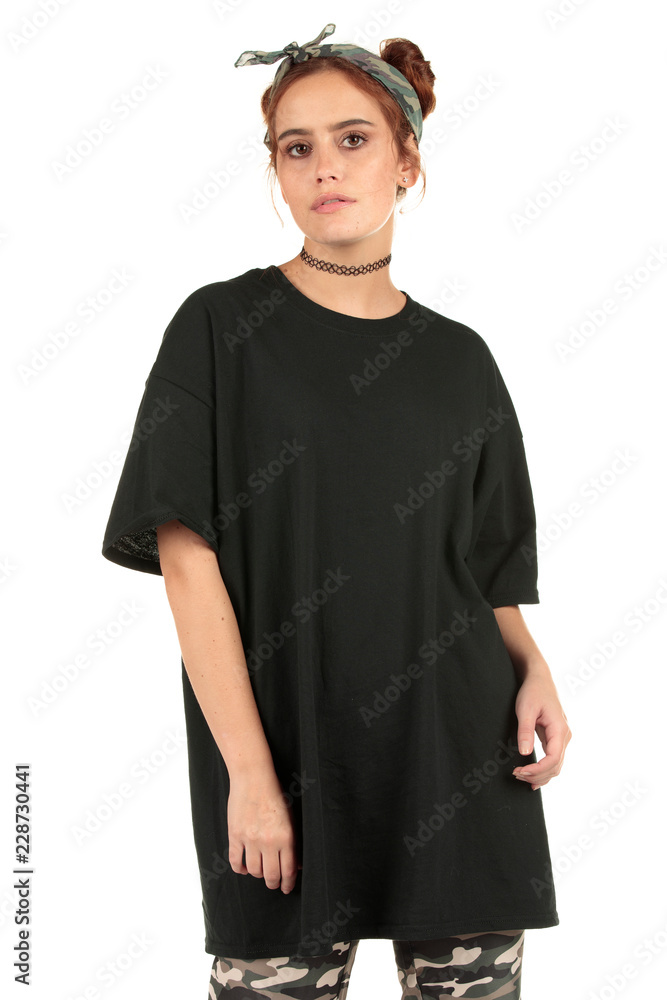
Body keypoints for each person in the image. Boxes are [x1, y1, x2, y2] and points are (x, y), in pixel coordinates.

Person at [101, 21, 571, 1000]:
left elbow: (484, 565)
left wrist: (532, 667)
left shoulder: (461, 360)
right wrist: (250, 776)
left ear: (407, 162)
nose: (324, 167)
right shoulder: (219, 328)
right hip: (286, 766)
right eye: (295, 146)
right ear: (275, 169)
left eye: (353, 139)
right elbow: (186, 558)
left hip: (459, 761)